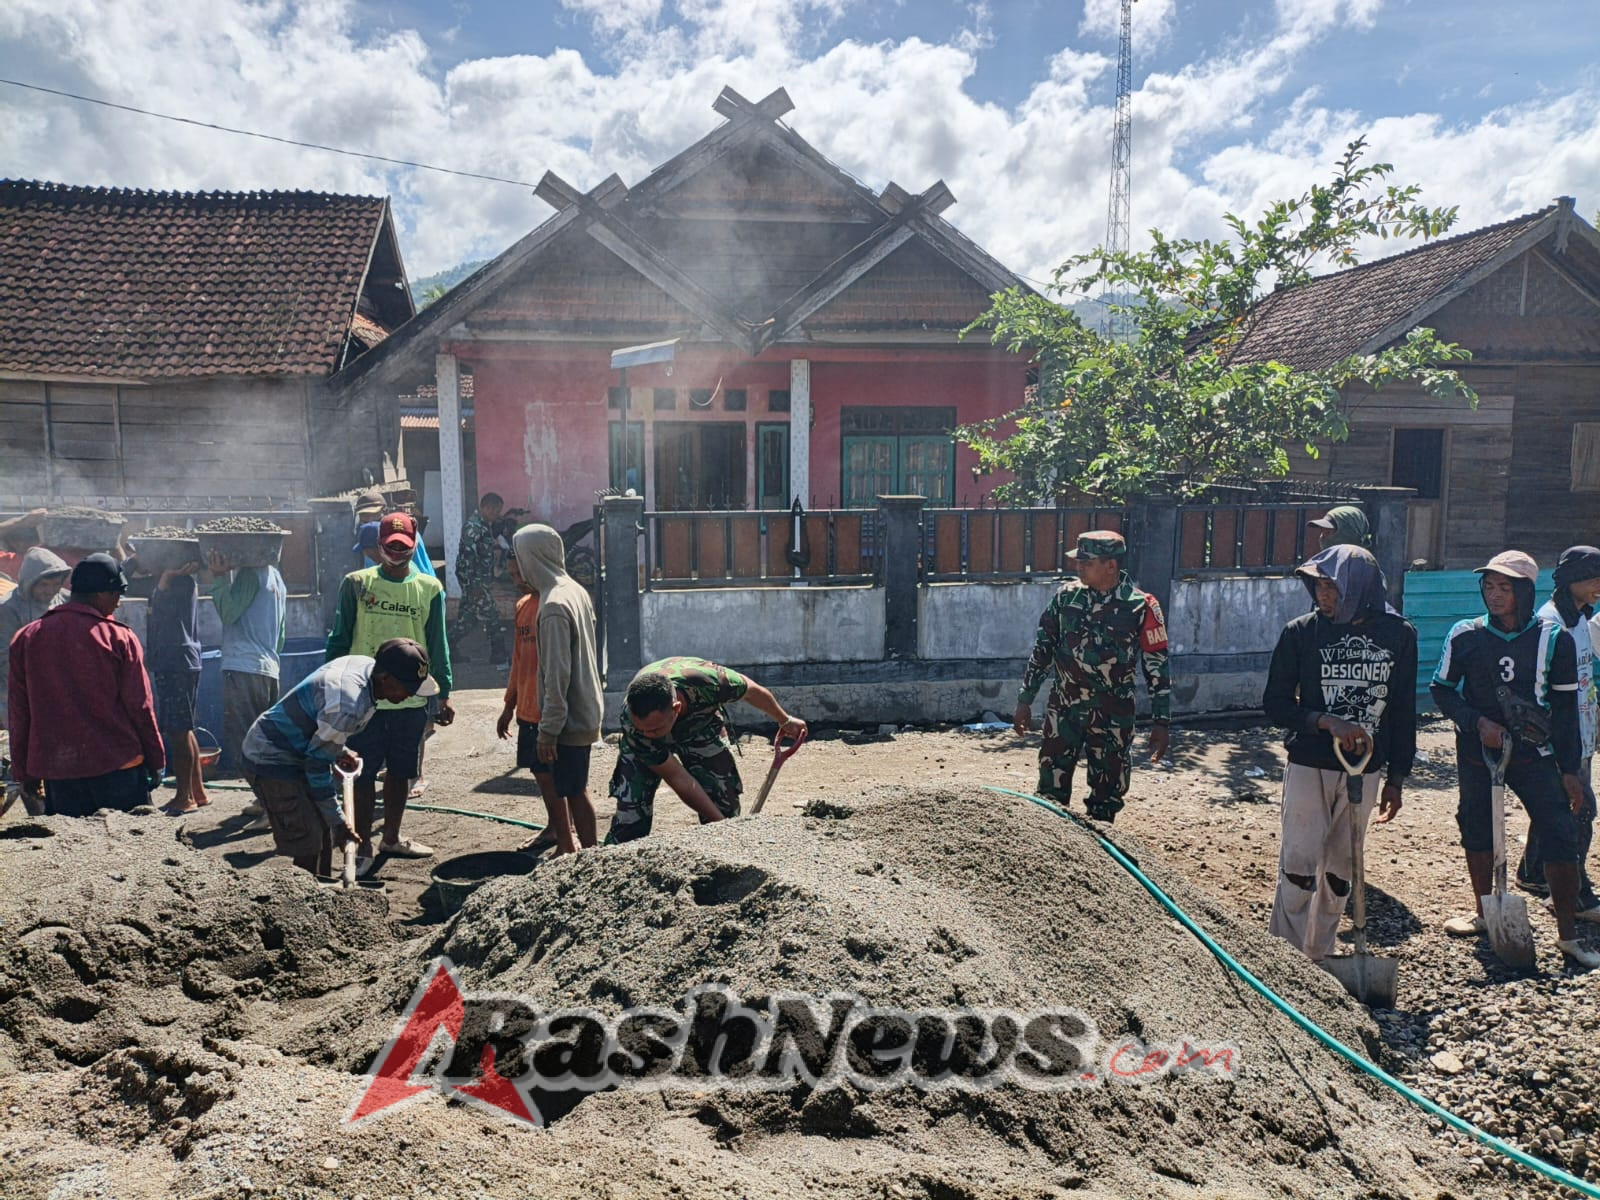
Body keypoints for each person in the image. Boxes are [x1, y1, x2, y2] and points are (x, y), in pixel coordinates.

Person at [1431, 550, 1600, 969]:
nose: (1494, 595)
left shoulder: (1552, 638)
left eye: (1504, 587)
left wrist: (1570, 770)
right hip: (1478, 753)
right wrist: (1476, 723)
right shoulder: (1465, 635)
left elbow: (1563, 709)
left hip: (1535, 753)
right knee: (1476, 827)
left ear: (1524, 591)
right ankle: (1484, 912)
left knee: (1560, 832)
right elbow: (1443, 690)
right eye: (1488, 586)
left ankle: (1568, 936)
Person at [1262, 545, 1416, 961]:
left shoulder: (1399, 635)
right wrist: (1327, 722)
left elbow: (1402, 709)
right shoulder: (1301, 632)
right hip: (1310, 764)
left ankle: (1320, 954)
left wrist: (1398, 777)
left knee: (1340, 870)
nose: (1322, 596)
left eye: (1332, 587)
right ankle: (1283, 959)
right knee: (1299, 862)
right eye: (1318, 586)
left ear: (1360, 589)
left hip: (1364, 771)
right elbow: (1275, 704)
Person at [240, 639, 438, 876]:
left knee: (323, 830)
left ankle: (321, 892)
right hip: (271, 758)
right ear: (385, 678)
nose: (411, 694)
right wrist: (341, 823)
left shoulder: (366, 667)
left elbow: (320, 721)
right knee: (308, 837)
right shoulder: (347, 705)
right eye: (407, 687)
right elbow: (317, 768)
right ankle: (302, 899)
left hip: (297, 748)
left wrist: (338, 750)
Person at [1012, 530, 1171, 823]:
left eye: (1087, 562)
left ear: (1111, 565)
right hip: (1064, 711)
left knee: (1106, 799)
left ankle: (1100, 856)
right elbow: (1042, 649)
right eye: (1078, 561)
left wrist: (1162, 721)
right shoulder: (1066, 598)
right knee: (1050, 796)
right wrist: (1025, 699)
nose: (1078, 567)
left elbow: (1157, 666)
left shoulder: (1141, 606)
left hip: (1113, 717)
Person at [326, 511, 453, 869]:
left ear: (414, 547)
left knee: (401, 770)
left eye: (404, 547)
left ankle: (392, 837)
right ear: (379, 546)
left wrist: (444, 691)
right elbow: (339, 638)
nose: (397, 553)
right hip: (363, 697)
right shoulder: (356, 583)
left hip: (409, 698)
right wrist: (333, 687)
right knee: (362, 773)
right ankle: (363, 844)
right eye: (391, 547)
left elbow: (438, 644)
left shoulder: (430, 589)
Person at [7, 554, 165, 816]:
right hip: (119, 768)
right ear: (100, 594)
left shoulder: (27, 637)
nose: (117, 603)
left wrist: (25, 771)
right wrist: (156, 759)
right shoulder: (118, 637)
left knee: (74, 852)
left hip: (60, 774)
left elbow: (19, 713)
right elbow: (140, 705)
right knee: (127, 850)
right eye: (117, 593)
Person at [609, 657, 806, 843]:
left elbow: (751, 691)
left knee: (724, 803)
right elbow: (678, 777)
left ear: (676, 709)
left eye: (654, 729)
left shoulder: (710, 682)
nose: (649, 734)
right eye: (644, 729)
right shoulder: (633, 722)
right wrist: (719, 823)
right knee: (631, 816)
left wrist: (785, 720)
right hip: (642, 748)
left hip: (700, 727)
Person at [500, 524, 603, 854]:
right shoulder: (573, 591)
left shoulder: (554, 605)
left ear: (534, 557)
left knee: (574, 788)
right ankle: (578, 852)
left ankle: (589, 859)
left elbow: (557, 675)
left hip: (566, 718)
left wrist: (548, 731)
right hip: (582, 709)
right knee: (571, 785)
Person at [1515, 546, 1600, 921]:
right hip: (1562, 737)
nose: (1599, 585)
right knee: (1580, 810)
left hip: (1583, 731)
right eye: (1593, 577)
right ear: (1571, 580)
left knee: (1553, 807)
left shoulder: (1581, 618)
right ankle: (1574, 893)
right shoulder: (1551, 624)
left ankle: (1535, 873)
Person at [209, 548, 287, 776]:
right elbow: (281, 636)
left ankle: (267, 802)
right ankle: (268, 800)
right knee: (265, 740)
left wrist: (219, 577)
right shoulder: (276, 578)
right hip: (269, 668)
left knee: (245, 740)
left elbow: (228, 613)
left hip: (244, 667)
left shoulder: (250, 575)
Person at [143, 559, 209, 816]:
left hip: (175, 662)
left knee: (178, 731)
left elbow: (161, 612)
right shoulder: (181, 583)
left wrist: (166, 576)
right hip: (180, 660)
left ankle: (185, 797)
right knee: (185, 728)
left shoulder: (176, 585)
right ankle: (197, 791)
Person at [0, 547, 69, 726]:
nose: (50, 591)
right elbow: (7, 657)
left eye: (55, 584)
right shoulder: (9, 609)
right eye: (44, 585)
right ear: (30, 582)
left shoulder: (65, 601)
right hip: (20, 688)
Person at [452, 492, 506, 669]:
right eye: (495, 510)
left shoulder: (484, 525)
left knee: (467, 621)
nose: (497, 514)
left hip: (478, 583)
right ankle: (499, 655)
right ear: (486, 507)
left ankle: (447, 648)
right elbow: (466, 559)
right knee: (492, 618)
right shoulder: (473, 527)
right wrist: (473, 586)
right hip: (475, 584)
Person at [0, 508, 48, 582]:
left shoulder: (8, 562)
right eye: (15, 538)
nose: (21, 544)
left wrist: (20, 522)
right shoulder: (54, 560)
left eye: (30, 539)